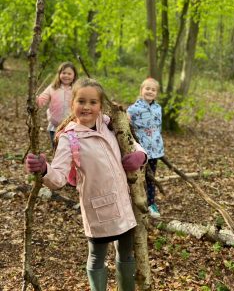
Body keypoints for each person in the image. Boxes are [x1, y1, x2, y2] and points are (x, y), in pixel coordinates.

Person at [26, 79, 147, 291]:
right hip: (97, 211)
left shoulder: (111, 125)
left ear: (100, 105)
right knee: (97, 258)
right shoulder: (69, 139)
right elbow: (58, 178)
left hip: (124, 206)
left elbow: (133, 143)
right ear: (72, 103)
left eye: (93, 102)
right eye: (81, 101)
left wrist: (140, 156)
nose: (87, 107)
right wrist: (44, 168)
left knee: (126, 254)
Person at [127, 77, 164, 219]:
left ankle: (151, 203)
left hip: (155, 150)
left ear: (156, 93)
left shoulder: (157, 108)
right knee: (137, 176)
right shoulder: (133, 109)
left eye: (153, 89)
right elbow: (126, 123)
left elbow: (158, 127)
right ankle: (135, 201)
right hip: (140, 151)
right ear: (141, 90)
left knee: (150, 177)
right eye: (147, 88)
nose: (150, 91)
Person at [36, 61, 78, 147]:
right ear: (59, 74)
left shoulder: (76, 89)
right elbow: (41, 101)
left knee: (70, 149)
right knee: (56, 148)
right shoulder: (53, 87)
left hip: (72, 126)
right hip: (54, 126)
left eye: (69, 73)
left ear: (74, 76)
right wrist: (35, 100)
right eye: (64, 73)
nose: (66, 75)